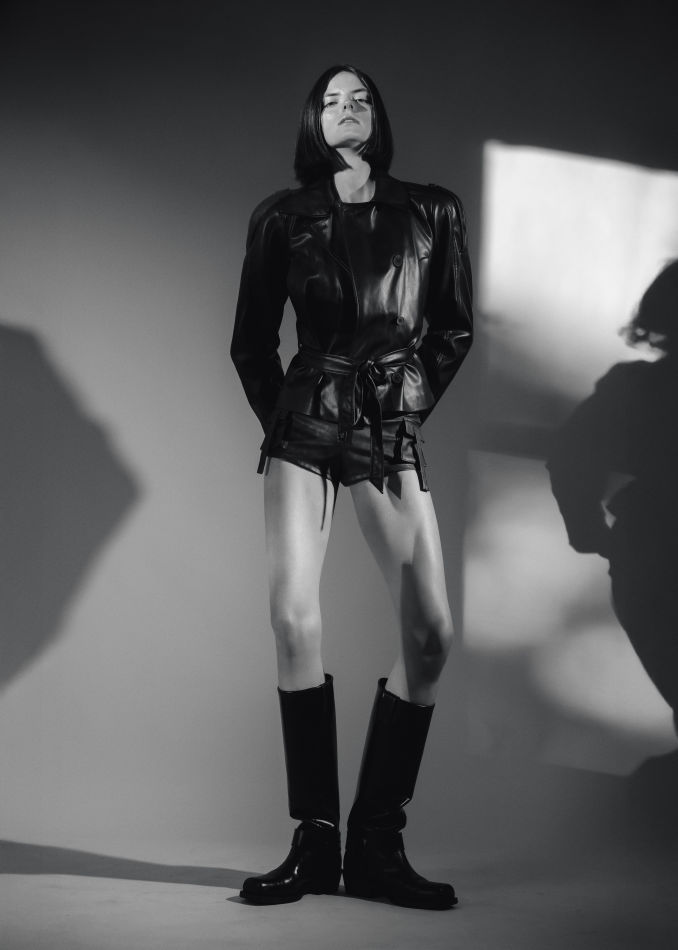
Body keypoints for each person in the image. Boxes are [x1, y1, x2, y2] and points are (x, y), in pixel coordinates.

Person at [230, 64, 473, 910]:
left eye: (360, 98)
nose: (346, 109)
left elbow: (452, 328)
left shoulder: (433, 211)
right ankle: (314, 843)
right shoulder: (282, 217)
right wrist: (291, 414)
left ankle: (375, 843)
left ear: (378, 116)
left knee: (431, 633)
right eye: (331, 100)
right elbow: (251, 344)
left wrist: (404, 405)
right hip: (306, 421)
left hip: (386, 425)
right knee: (294, 619)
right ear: (313, 120)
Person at [547, 261, 678, 736]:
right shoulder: (634, 389)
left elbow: (569, 456)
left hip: (645, 568)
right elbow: (570, 455)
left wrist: (590, 532)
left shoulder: (635, 388)